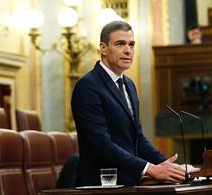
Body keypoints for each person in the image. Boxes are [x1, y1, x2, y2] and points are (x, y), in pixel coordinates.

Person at [71, 21, 186, 186]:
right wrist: (151, 169)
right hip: (101, 185)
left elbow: (137, 138)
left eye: (131, 45)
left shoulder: (129, 84)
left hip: (130, 182)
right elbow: (101, 145)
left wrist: (170, 167)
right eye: (120, 44)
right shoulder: (88, 86)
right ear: (103, 48)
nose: (128, 50)